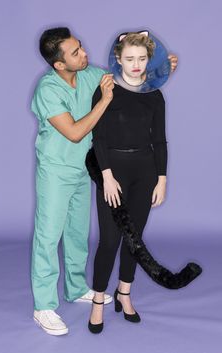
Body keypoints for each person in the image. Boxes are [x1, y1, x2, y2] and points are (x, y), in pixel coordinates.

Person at [31, 27, 178, 336]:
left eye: (81, 47)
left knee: (76, 233)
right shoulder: (47, 89)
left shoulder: (89, 74)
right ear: (59, 64)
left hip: (88, 169)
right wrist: (105, 100)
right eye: (75, 52)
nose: (84, 53)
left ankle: (75, 288)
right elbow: (74, 133)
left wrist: (162, 67)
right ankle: (44, 306)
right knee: (48, 236)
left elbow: (130, 70)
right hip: (57, 170)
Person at [88, 32, 168, 334]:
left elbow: (159, 140)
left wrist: (161, 178)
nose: (136, 65)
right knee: (109, 240)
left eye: (142, 59)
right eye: (130, 58)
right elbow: (100, 137)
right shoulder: (107, 90)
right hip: (113, 172)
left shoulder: (155, 95)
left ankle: (124, 292)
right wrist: (106, 175)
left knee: (134, 241)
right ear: (118, 59)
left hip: (145, 172)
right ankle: (99, 299)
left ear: (149, 59)